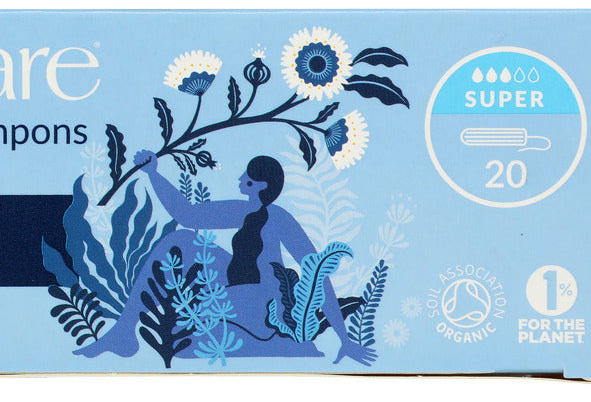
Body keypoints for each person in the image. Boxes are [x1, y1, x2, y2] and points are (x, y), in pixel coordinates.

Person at [74, 150, 376, 365]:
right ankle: (123, 332)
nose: (241, 177)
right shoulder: (242, 210)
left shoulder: (280, 218)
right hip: (234, 281)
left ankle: (131, 333)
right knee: (180, 239)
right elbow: (187, 215)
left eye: (248, 177)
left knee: (193, 310)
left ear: (261, 185)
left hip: (263, 298)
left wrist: (344, 338)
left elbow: (316, 272)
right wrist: (153, 174)